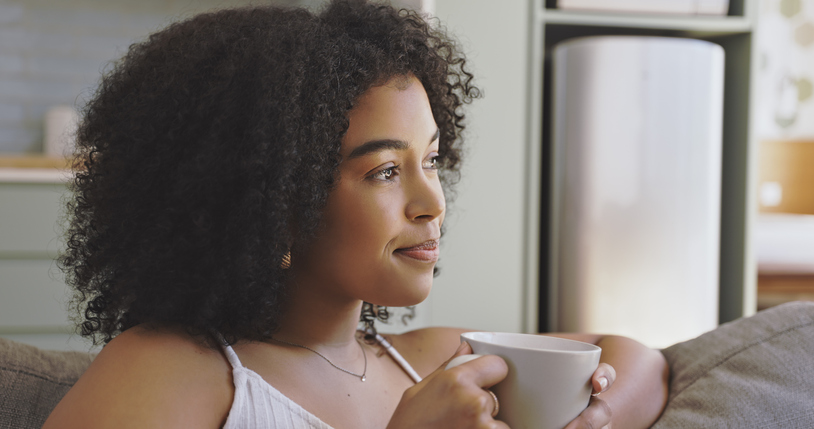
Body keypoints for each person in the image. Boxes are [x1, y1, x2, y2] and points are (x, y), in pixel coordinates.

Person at [44, 1, 669, 427]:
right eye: (385, 172)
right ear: (275, 198)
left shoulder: (434, 361)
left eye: (431, 159)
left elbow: (635, 359)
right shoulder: (170, 371)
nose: (433, 203)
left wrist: (599, 417)